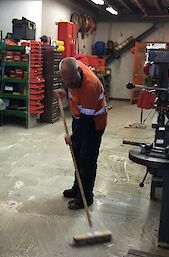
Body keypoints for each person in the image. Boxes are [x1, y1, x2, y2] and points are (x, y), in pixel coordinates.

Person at [56, 57, 108, 210]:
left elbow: (86, 124)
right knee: (77, 155)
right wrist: (64, 91)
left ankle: (86, 197)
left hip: (94, 123)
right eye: (67, 81)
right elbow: (70, 86)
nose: (70, 82)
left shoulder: (90, 87)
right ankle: (77, 188)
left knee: (87, 160)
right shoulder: (72, 74)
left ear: (78, 71)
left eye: (72, 79)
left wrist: (73, 137)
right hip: (79, 117)